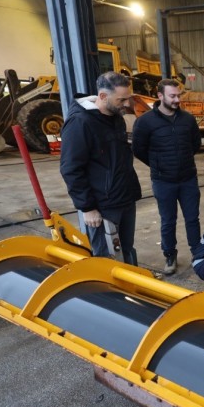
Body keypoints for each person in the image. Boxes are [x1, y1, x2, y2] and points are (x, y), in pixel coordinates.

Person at [60, 71, 142, 264]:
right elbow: (71, 169)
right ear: (103, 96)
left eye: (127, 99)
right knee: (107, 258)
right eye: (121, 100)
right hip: (103, 206)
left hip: (124, 198)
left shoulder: (116, 118)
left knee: (126, 249)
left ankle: (130, 290)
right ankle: (111, 294)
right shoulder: (80, 123)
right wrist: (87, 207)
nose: (126, 104)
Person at [132, 79, 202, 275]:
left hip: (188, 178)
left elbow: (195, 144)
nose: (177, 99)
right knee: (168, 220)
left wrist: (183, 161)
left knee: (192, 219)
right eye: (172, 96)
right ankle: (170, 255)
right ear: (160, 96)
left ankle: (198, 253)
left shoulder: (187, 119)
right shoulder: (145, 122)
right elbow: (138, 149)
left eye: (179, 95)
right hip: (163, 182)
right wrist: (158, 165)